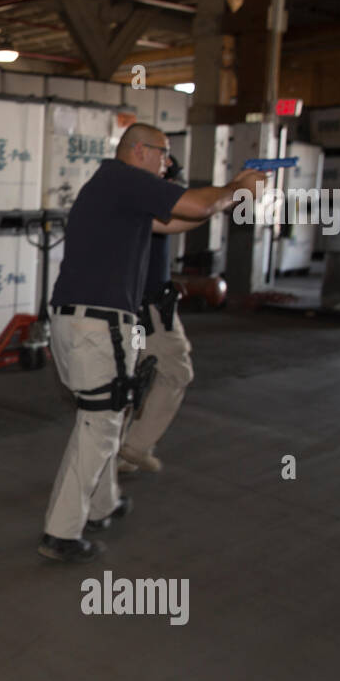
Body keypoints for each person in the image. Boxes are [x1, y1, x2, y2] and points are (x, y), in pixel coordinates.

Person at [40, 123, 266, 562]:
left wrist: (228, 197)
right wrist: (237, 187)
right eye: (163, 155)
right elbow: (196, 202)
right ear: (140, 151)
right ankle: (60, 532)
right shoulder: (125, 180)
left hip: (85, 320)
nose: (166, 164)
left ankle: (102, 506)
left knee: (106, 413)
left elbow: (184, 217)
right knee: (101, 424)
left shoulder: (114, 188)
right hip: (98, 321)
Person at [120, 155, 194, 475]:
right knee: (176, 373)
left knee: (131, 379)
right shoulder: (149, 199)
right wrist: (234, 194)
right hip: (148, 309)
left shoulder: (125, 194)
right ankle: (134, 448)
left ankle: (121, 452)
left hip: (138, 303)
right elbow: (194, 210)